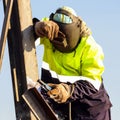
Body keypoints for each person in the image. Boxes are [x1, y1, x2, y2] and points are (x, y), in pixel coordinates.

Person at [32, 6, 112, 120]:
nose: (58, 41)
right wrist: (36, 27)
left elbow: (93, 82)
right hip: (60, 104)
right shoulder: (49, 31)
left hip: (89, 109)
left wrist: (69, 90)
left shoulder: (90, 48)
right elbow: (26, 38)